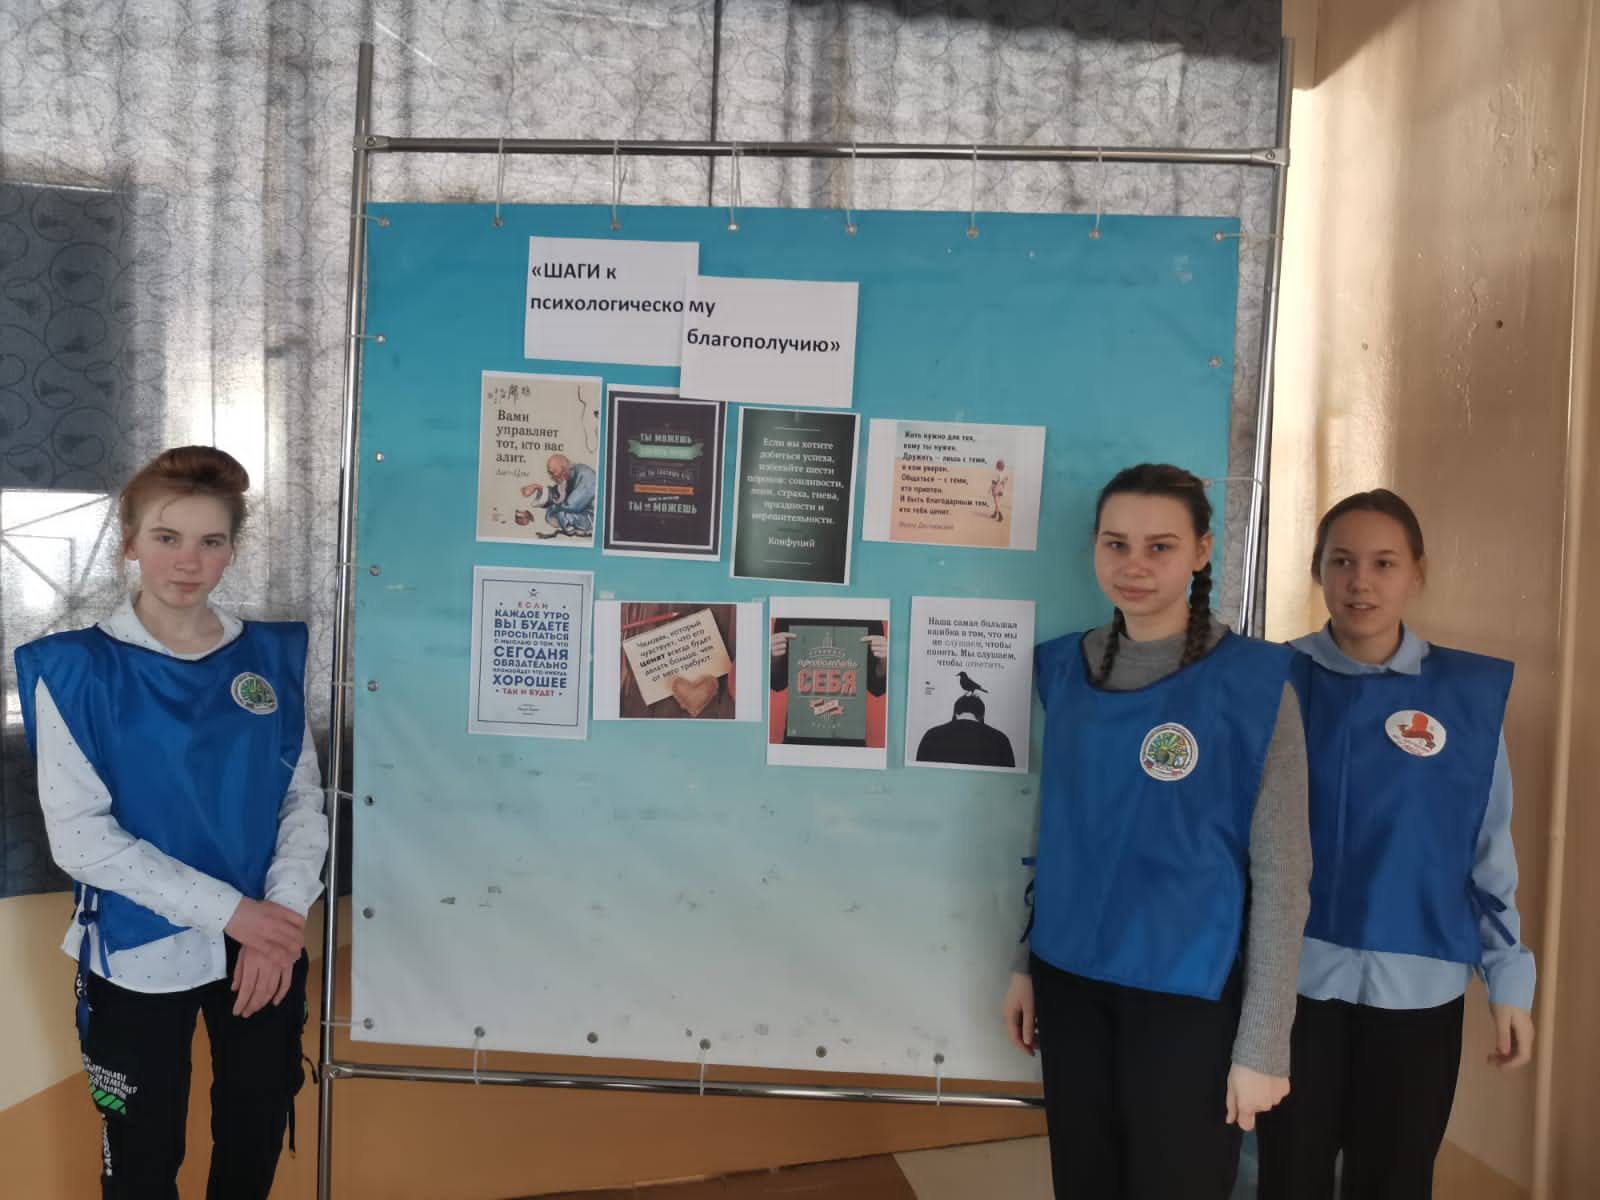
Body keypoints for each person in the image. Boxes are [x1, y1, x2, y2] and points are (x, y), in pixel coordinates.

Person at [13, 446, 328, 1200]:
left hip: (266, 940)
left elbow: (300, 801)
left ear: (232, 551)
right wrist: (236, 914)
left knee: (254, 1132)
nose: (188, 561)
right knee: (143, 1156)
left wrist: (280, 917)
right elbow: (82, 839)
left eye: (210, 541)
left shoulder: (269, 659)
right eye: (167, 537)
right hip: (138, 949)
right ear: (129, 543)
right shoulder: (75, 670)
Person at [1001, 462, 1310, 1199]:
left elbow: (1283, 874)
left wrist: (1264, 1043)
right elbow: (1056, 830)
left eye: (1160, 547)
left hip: (1187, 992)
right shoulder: (1065, 668)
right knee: (1085, 1181)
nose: (1134, 565)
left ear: (1201, 551)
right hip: (1071, 978)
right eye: (1116, 544)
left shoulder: (1257, 684)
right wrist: (1024, 963)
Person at [1255, 489, 1536, 1199]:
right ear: (1317, 569)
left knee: (1396, 1180)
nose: (1361, 582)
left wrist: (1509, 980)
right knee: (1288, 1176)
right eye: (1342, 561)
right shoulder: (1268, 681)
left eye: (1384, 563)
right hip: (1294, 985)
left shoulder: (1464, 698)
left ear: (1417, 572)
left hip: (1420, 989)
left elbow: (1488, 848)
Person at [537, 452, 597, 538]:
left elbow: (572, 505)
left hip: (592, 517)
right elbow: (556, 494)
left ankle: (577, 529)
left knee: (559, 514)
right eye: (550, 473)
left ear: (564, 470)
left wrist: (554, 507)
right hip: (579, 513)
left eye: (553, 473)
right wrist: (538, 488)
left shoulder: (585, 475)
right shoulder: (567, 476)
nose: (552, 477)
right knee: (553, 513)